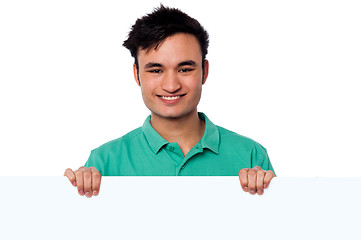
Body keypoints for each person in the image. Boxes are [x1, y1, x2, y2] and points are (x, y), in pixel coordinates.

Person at [64, 5, 276, 198]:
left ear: (205, 71)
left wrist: (271, 196)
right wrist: (72, 194)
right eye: (156, 70)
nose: (171, 85)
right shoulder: (104, 161)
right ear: (136, 74)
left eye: (184, 69)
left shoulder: (251, 155)